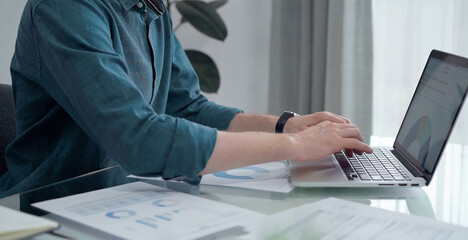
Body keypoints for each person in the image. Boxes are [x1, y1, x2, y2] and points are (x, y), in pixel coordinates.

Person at [0, 0, 372, 197]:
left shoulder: (152, 9)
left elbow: (188, 107)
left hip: (119, 201)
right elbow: (139, 140)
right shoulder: (66, 7)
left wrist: (283, 126)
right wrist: (294, 144)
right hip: (45, 211)